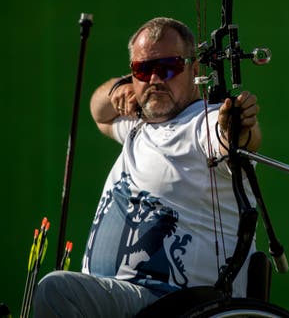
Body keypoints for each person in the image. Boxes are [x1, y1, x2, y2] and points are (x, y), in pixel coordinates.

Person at [33, 17, 262, 317]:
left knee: (56, 290)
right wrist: (120, 87)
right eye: (143, 69)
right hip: (123, 297)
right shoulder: (138, 125)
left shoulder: (201, 123)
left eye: (168, 67)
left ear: (195, 70)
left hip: (171, 303)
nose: (155, 79)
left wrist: (237, 127)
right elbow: (99, 111)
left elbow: (235, 139)